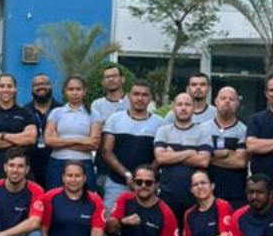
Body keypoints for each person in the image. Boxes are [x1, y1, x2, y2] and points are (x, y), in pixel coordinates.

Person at [99, 80, 162, 213]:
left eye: (145, 95)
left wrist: (144, 177)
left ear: (150, 98)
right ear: (128, 96)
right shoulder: (114, 119)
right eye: (136, 94)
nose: (140, 98)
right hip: (116, 183)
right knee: (111, 222)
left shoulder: (159, 123)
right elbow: (106, 151)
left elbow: (160, 155)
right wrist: (128, 175)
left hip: (147, 185)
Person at [153, 93, 212, 219]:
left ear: (193, 108)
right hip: (168, 194)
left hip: (195, 195)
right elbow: (161, 158)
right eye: (179, 104)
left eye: (187, 104)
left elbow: (203, 161)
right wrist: (189, 152)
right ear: (173, 108)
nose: (183, 108)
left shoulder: (203, 132)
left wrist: (172, 154)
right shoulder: (163, 131)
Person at [0, 74, 37, 192]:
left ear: (15, 89)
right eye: (2, 86)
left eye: (9, 86)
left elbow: (30, 139)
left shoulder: (25, 113)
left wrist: (1, 136)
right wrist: (19, 140)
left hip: (20, 170)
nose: (6, 89)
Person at [44, 74, 100, 191]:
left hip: (84, 163)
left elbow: (94, 144)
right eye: (71, 89)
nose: (74, 92)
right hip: (58, 163)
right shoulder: (56, 113)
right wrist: (80, 140)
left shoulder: (93, 114)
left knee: (85, 202)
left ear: (84, 91)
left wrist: (61, 142)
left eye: (78, 89)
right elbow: (49, 141)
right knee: (55, 201)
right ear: (65, 91)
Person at [202, 86, 248, 210]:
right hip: (206, 192)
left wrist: (209, 157)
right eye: (223, 98)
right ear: (215, 102)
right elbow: (199, 159)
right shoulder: (203, 129)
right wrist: (226, 153)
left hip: (235, 194)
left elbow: (240, 162)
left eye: (232, 99)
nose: (227, 101)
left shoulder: (244, 130)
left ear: (237, 104)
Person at [25, 73, 60, 189]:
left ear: (51, 86)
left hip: (55, 162)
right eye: (37, 84)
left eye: (45, 83)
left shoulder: (61, 110)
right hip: (31, 165)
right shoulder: (24, 111)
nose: (41, 87)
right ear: (32, 88)